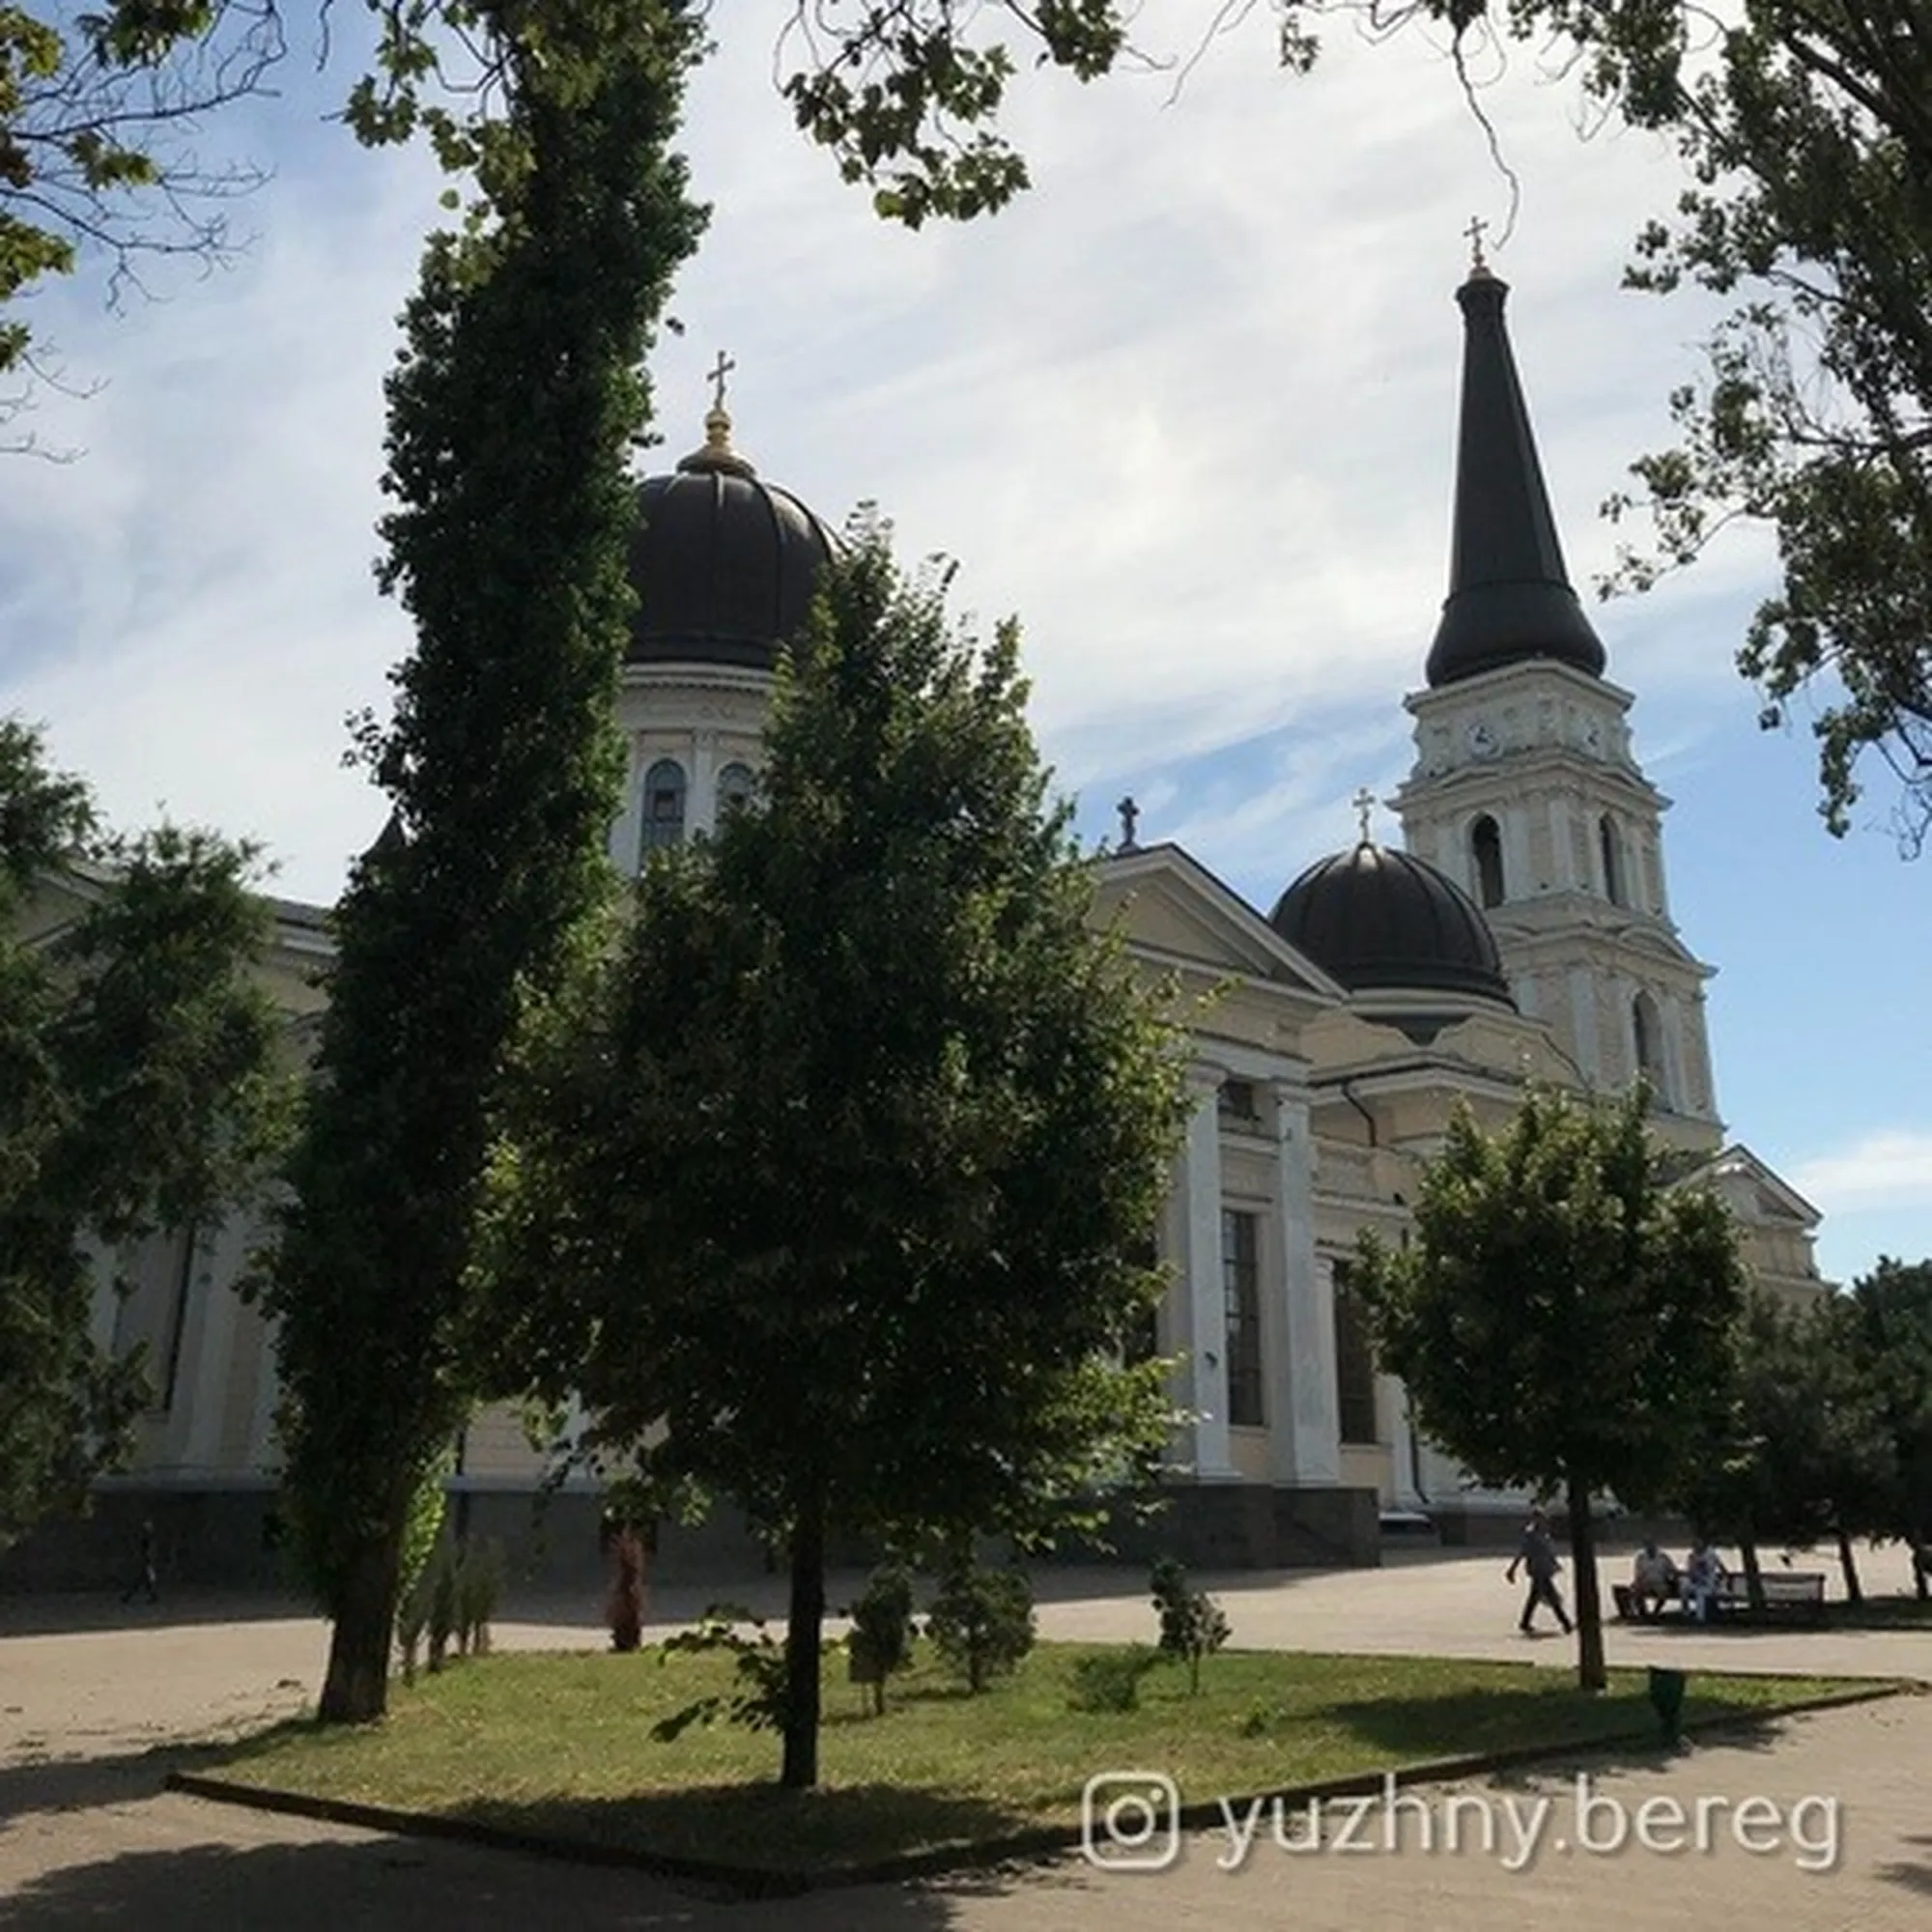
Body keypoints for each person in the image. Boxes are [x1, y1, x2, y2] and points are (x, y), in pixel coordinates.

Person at [1506, 1506, 1573, 1635]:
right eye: (1539, 1518)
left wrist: (1555, 1563)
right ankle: (1566, 1624)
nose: (1543, 1521)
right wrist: (1512, 1568)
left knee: (1535, 1597)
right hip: (1537, 1570)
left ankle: (1525, 1622)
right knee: (1551, 1597)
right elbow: (1522, 1552)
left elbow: (1549, 1552)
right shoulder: (1531, 1535)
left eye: (1543, 1518)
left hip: (1544, 1569)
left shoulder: (1545, 1534)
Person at [1682, 1537, 1729, 1623]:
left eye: (1698, 1545)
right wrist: (1693, 1575)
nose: (1696, 1547)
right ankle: (1686, 1611)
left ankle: (1700, 1618)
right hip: (1696, 1583)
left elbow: (1723, 1569)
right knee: (1683, 1587)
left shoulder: (1711, 1554)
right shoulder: (1692, 1556)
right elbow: (1690, 1573)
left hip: (1709, 1584)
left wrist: (1722, 1583)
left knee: (1700, 1593)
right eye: (1694, 1546)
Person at [1630, 1540, 1681, 1619]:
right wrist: (1637, 1582)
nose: (1650, 1548)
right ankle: (1642, 1613)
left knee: (1664, 1592)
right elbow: (1637, 1573)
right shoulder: (1641, 1557)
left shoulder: (1663, 1556)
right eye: (1647, 1546)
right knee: (1636, 1590)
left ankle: (1656, 1612)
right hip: (1646, 1582)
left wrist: (1673, 1579)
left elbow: (1672, 1569)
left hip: (1660, 1582)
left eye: (1651, 1545)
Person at [120, 1519, 159, 1606]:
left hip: (148, 1561)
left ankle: (128, 1596)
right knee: (144, 1580)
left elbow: (149, 1550)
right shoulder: (147, 1538)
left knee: (145, 1580)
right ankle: (129, 1596)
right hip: (146, 1561)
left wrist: (148, 1558)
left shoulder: (149, 1538)